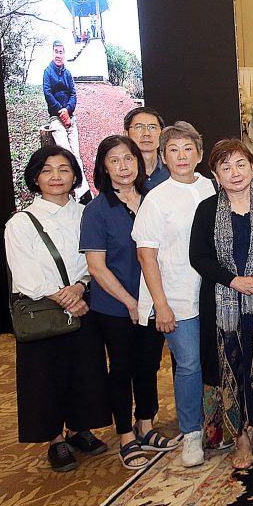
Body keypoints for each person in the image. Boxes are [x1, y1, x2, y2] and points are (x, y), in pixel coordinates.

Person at [5, 145, 110, 472]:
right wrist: (63, 298)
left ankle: (78, 429)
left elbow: (94, 260)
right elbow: (25, 274)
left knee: (84, 369)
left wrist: (79, 288)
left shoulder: (86, 214)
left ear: (75, 176)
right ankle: (54, 440)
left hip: (83, 301)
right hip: (41, 310)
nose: (56, 176)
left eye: (64, 169)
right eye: (47, 170)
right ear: (35, 177)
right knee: (45, 377)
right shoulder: (21, 222)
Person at [190, 139, 253, 470]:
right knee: (231, 368)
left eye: (241, 164)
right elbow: (198, 257)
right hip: (223, 309)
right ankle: (240, 437)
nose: (235, 173)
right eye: (226, 167)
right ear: (215, 174)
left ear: (252, 166)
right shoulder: (207, 210)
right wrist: (234, 280)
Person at [80, 136, 177, 470]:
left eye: (128, 158)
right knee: (121, 369)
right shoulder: (97, 210)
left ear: (139, 162)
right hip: (114, 307)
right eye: (114, 160)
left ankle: (146, 425)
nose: (123, 166)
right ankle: (125, 434)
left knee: (148, 365)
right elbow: (96, 267)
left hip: (154, 302)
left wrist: (155, 301)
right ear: (104, 167)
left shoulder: (154, 199)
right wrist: (130, 302)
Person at [132, 121, 216, 467]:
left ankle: (217, 425)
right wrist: (160, 305)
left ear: (199, 153)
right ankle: (192, 433)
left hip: (214, 292)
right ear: (163, 157)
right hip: (177, 297)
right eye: (173, 150)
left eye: (188, 149)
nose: (182, 156)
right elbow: (146, 255)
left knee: (215, 361)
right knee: (189, 364)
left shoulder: (212, 186)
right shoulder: (156, 198)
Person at [42, 40, 90, 201]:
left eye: (61, 52)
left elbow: (73, 94)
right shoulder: (48, 72)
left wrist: (68, 110)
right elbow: (48, 94)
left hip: (70, 118)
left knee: (76, 156)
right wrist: (61, 112)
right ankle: (77, 193)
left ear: (64, 54)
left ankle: (83, 194)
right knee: (67, 155)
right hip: (56, 119)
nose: (58, 55)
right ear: (52, 53)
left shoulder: (68, 73)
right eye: (56, 51)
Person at [124, 106, 170, 190]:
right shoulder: (121, 173)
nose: (146, 133)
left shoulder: (173, 170)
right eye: (139, 127)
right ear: (126, 134)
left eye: (152, 127)